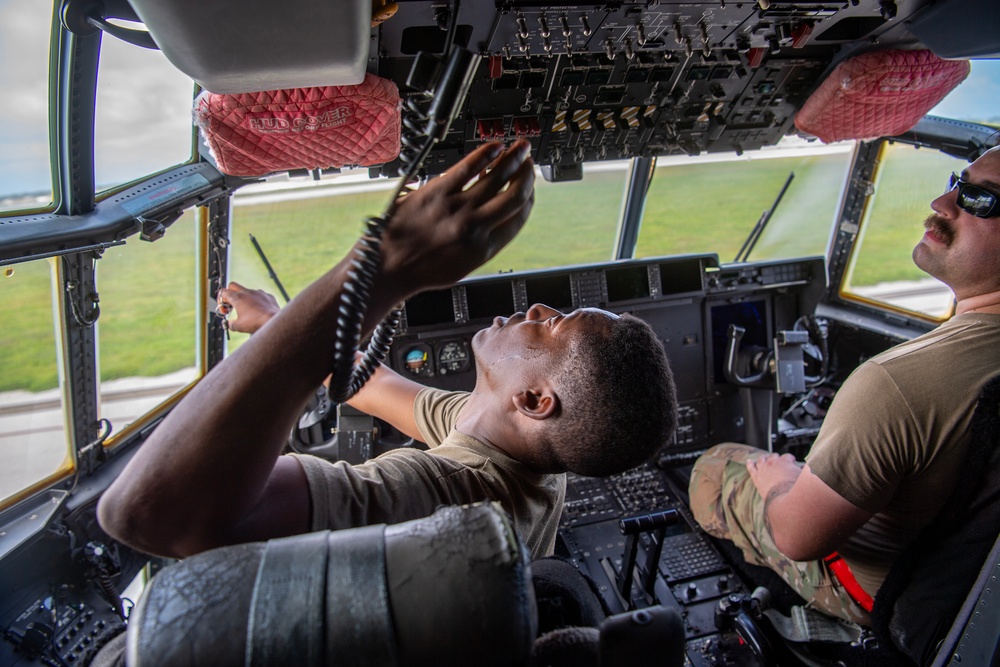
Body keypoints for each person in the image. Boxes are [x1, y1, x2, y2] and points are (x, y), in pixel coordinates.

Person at [97, 139, 678, 560]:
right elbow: (368, 387)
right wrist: (274, 322)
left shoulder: (442, 499)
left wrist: (383, 267)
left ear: (533, 399)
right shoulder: (519, 449)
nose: (535, 309)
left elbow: (144, 514)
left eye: (552, 326)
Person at [688, 146, 1000, 625]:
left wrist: (781, 482)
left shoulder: (896, 385)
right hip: (977, 601)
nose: (943, 201)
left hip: (899, 601)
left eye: (979, 199)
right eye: (958, 180)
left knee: (716, 465)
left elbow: (797, 537)